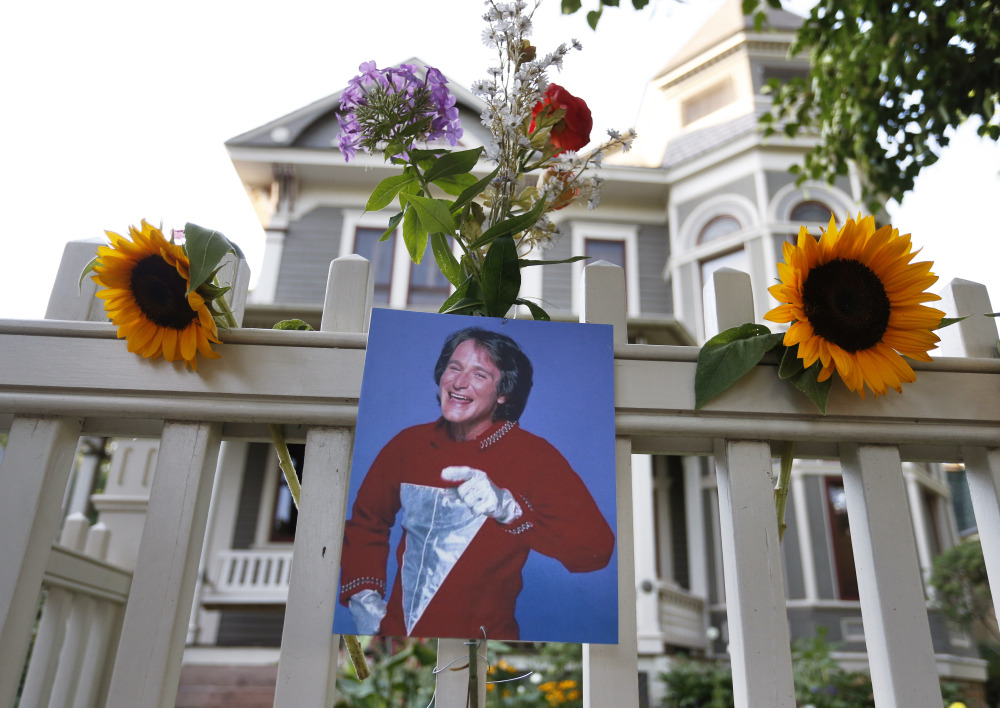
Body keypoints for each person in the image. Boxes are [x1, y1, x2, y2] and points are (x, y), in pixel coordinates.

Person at [338, 326, 615, 640]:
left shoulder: (535, 456)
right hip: (397, 648)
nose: (459, 382)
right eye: (454, 368)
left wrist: (509, 510)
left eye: (479, 374)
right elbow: (366, 522)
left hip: (486, 649)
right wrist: (363, 595)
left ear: (503, 393)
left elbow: (596, 550)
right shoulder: (407, 445)